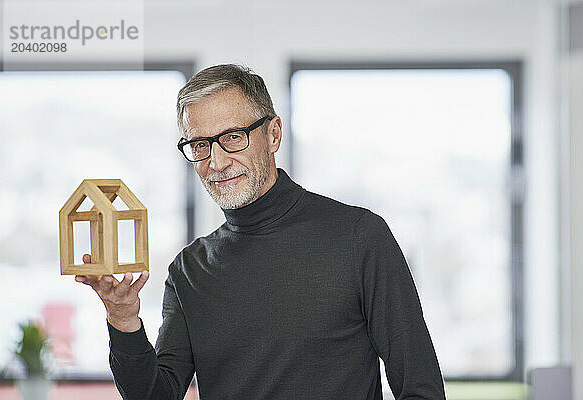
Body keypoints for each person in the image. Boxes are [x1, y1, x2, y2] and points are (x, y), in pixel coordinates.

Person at [75, 64, 446, 400]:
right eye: (199, 145)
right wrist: (123, 320)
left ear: (273, 134)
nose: (216, 161)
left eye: (233, 137)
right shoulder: (189, 270)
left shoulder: (359, 237)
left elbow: (420, 389)